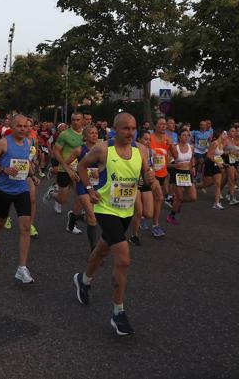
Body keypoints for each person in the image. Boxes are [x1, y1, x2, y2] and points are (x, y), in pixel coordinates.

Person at [73, 113, 154, 336]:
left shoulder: (142, 150)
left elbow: (144, 175)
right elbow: (81, 167)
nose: (130, 133)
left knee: (101, 250)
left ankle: (83, 279)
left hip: (125, 210)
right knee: (124, 259)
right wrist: (89, 189)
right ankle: (118, 312)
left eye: (133, 128)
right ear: (115, 130)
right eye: (125, 128)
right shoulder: (102, 149)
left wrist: (151, 180)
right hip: (106, 209)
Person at [0, 114, 39, 283]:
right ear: (12, 127)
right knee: (1, 220)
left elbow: (25, 162)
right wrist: (4, 169)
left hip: (21, 188)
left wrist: (32, 174)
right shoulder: (4, 142)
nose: (23, 129)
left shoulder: (29, 142)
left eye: (25, 126)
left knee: (25, 227)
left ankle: (22, 268)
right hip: (4, 189)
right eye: (19, 126)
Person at [44, 113, 84, 234]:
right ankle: (52, 193)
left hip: (80, 170)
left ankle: (72, 223)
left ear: (82, 121)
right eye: (73, 120)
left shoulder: (86, 133)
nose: (76, 122)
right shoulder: (64, 134)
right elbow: (56, 151)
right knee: (62, 200)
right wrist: (65, 166)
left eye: (78, 120)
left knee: (80, 196)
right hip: (65, 169)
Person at [72, 125, 101, 250]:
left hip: (97, 185)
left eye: (96, 133)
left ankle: (74, 217)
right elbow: (65, 163)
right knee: (93, 218)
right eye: (91, 133)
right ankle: (94, 250)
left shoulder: (102, 149)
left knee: (94, 217)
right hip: (83, 186)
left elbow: (107, 165)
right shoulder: (79, 150)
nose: (94, 135)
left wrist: (99, 170)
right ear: (85, 137)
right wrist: (72, 172)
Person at [166, 129, 197, 224]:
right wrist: (175, 165)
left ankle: (176, 202)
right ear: (179, 137)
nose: (186, 137)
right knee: (180, 198)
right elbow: (166, 164)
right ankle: (171, 215)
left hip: (187, 173)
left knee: (193, 197)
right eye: (184, 135)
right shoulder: (175, 148)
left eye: (188, 135)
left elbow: (192, 158)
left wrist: (193, 167)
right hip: (177, 173)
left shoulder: (191, 147)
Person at [149, 118, 170, 237]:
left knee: (154, 198)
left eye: (165, 124)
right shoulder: (149, 138)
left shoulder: (168, 139)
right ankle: (156, 225)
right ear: (155, 125)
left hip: (163, 172)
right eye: (161, 124)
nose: (163, 126)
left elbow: (172, 156)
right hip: (151, 173)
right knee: (159, 198)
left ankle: (143, 216)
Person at [201, 130, 228, 209]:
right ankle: (193, 187)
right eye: (224, 134)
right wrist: (218, 162)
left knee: (218, 184)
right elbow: (209, 155)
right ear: (220, 134)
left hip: (217, 166)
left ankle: (216, 203)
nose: (226, 135)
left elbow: (218, 156)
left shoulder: (221, 144)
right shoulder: (215, 143)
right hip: (209, 164)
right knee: (205, 184)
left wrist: (223, 163)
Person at [223, 126, 239, 205]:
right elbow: (220, 150)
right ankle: (232, 198)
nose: (234, 133)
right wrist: (228, 153)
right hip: (228, 162)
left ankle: (228, 195)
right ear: (228, 132)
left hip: (234, 162)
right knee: (232, 180)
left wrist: (237, 153)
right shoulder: (226, 140)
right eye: (232, 131)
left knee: (235, 177)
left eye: (235, 131)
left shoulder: (232, 140)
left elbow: (235, 150)